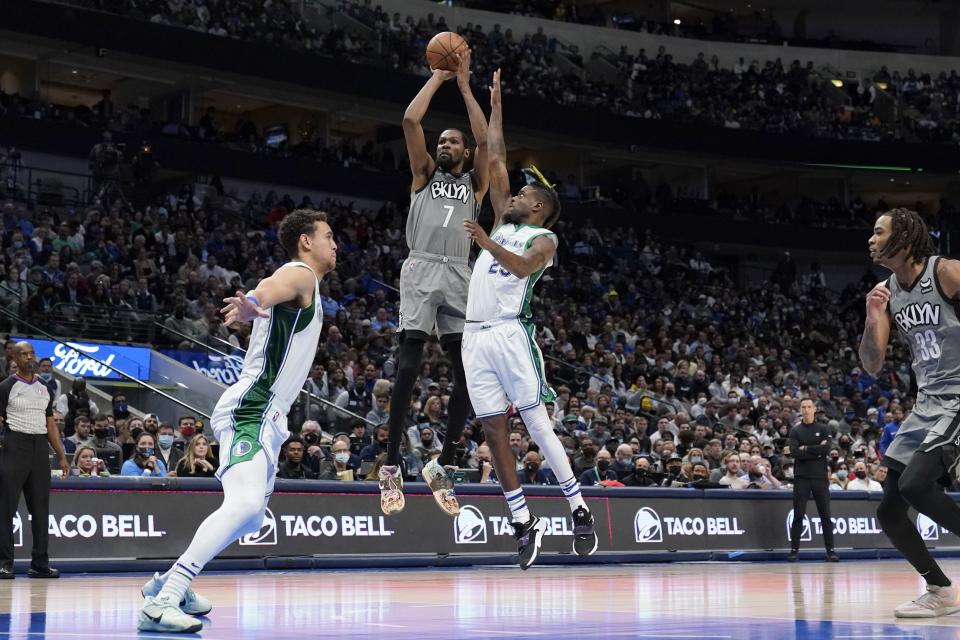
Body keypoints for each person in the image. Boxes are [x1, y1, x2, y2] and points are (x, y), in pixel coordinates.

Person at [138, 208, 337, 633]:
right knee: (245, 505)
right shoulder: (299, 273)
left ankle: (162, 586)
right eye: (328, 236)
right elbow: (268, 289)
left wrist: (256, 305)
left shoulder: (311, 286)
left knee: (251, 518)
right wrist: (253, 304)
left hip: (271, 414)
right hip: (253, 405)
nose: (335, 244)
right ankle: (167, 598)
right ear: (306, 242)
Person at [458, 69, 597, 570]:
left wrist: (487, 242)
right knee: (493, 433)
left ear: (538, 207)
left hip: (512, 334)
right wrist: (493, 104)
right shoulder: (501, 220)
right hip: (475, 339)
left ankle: (579, 509)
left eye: (520, 195)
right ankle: (522, 522)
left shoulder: (543, 240)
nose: (511, 195)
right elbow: (494, 155)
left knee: (537, 425)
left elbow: (520, 267)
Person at [380, 48, 489, 517]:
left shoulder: (476, 184)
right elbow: (409, 121)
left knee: (469, 377)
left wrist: (466, 87)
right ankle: (388, 466)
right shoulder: (423, 175)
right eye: (440, 141)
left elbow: (488, 142)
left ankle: (442, 462)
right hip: (423, 268)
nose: (443, 145)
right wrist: (438, 79)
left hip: (460, 273)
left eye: (451, 142)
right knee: (407, 368)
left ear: (464, 152)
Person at [859, 207, 960, 617]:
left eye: (878, 232)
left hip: (958, 398)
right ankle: (938, 589)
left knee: (917, 485)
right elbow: (871, 364)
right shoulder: (886, 291)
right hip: (926, 406)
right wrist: (872, 319)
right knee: (889, 509)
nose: (871, 238)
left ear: (902, 236)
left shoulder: (946, 272)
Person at [0, 341, 70, 579]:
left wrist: (61, 455)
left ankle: (40, 563)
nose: (29, 357)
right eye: (24, 354)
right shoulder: (6, 386)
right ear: (15, 359)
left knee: (41, 509)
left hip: (40, 447)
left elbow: (50, 423)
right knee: (5, 508)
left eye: (32, 354)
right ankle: (4, 563)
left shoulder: (44, 387)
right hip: (14, 445)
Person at [786, 397, 837, 561]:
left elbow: (827, 448)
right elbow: (793, 452)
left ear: (814, 409)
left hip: (820, 478)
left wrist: (806, 448)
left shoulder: (824, 428)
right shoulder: (795, 430)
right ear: (800, 410)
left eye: (809, 406)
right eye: (803, 407)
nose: (806, 409)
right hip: (801, 477)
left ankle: (831, 551)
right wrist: (817, 450)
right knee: (798, 515)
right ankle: (794, 551)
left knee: (826, 516)